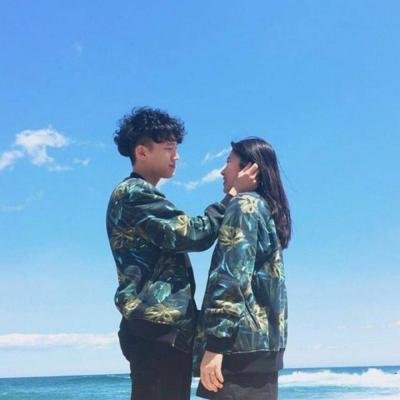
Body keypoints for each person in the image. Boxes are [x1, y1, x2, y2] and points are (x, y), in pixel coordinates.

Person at [105, 107, 258, 400]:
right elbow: (193, 234)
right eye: (169, 149)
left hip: (156, 329)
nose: (176, 157)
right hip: (156, 330)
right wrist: (232, 196)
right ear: (142, 152)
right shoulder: (134, 193)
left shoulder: (140, 194)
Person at [196, 137, 291, 400]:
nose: (222, 171)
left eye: (228, 162)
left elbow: (232, 278)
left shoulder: (244, 205)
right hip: (262, 350)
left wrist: (215, 346)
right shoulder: (265, 209)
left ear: (249, 168)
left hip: (238, 350)